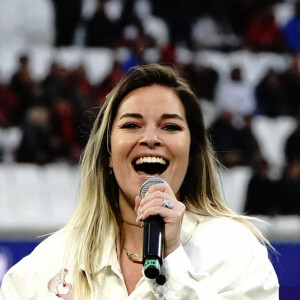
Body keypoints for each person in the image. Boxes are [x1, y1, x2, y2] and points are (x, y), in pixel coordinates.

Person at [0, 64, 279, 299]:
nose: (150, 138)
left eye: (170, 126)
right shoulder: (42, 267)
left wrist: (173, 262)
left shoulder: (237, 252)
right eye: (132, 125)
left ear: (192, 153)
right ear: (108, 153)